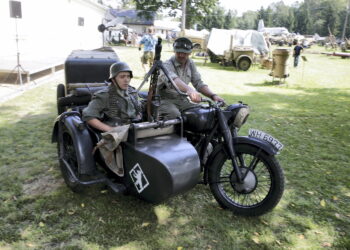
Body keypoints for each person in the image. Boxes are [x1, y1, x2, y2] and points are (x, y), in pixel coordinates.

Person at [157, 37, 225, 120]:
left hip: (182, 100)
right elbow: (173, 80)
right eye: (179, 52)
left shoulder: (190, 63)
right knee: (174, 115)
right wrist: (189, 90)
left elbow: (198, 83)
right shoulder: (166, 65)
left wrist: (213, 96)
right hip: (164, 100)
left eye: (184, 53)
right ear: (174, 51)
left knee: (203, 113)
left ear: (190, 53)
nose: (181, 55)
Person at [82, 62, 141, 132]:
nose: (126, 80)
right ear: (113, 79)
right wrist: (110, 129)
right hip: (116, 131)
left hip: (135, 128)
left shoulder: (132, 92)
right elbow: (88, 116)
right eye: (122, 77)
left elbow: (138, 109)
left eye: (128, 76)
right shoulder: (104, 95)